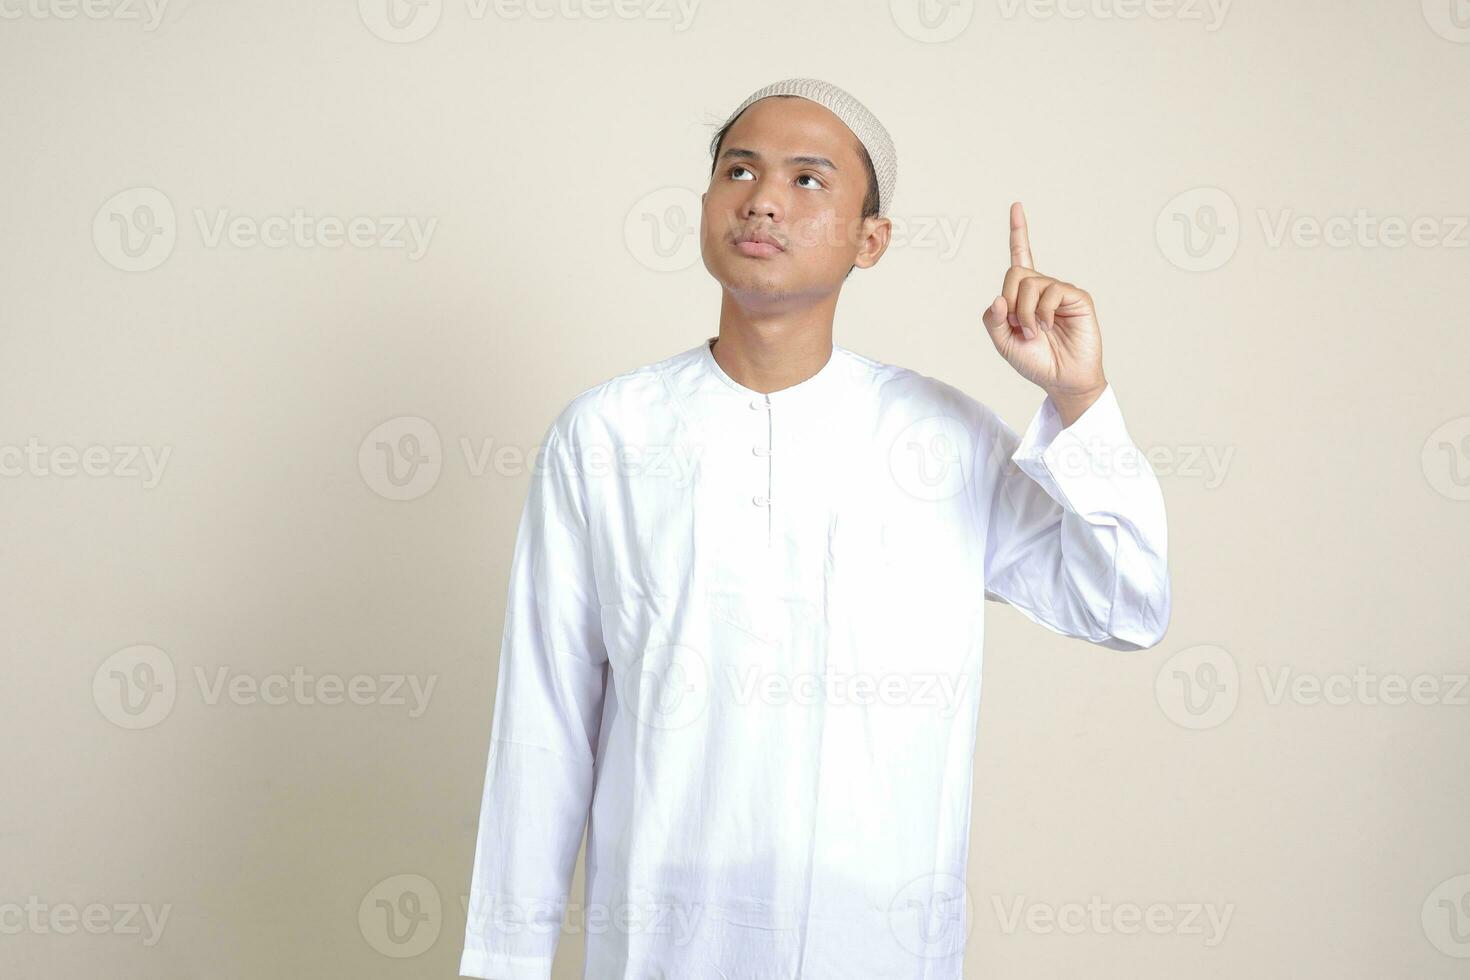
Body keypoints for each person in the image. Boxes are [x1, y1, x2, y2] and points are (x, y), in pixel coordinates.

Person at [459, 77, 1171, 980]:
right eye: (740, 169)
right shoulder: (607, 435)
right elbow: (543, 725)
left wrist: (1078, 399)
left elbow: (1128, 604)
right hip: (661, 950)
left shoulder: (939, 440)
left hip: (875, 948)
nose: (762, 198)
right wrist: (503, 967)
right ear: (709, 203)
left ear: (871, 239)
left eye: (807, 180)